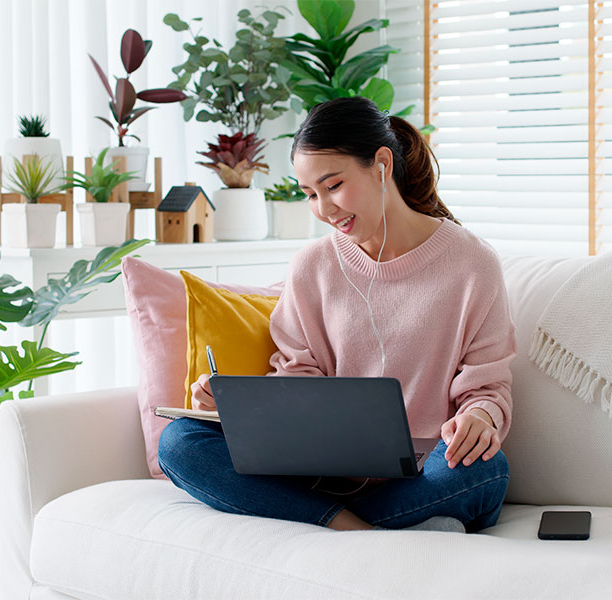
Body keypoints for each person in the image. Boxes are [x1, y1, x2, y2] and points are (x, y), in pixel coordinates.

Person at [158, 96, 517, 533]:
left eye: (333, 186)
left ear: (381, 164)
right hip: (319, 473)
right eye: (310, 194)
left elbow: (487, 388)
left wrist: (478, 419)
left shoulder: (471, 262)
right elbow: (297, 378)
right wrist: (237, 409)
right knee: (180, 443)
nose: (324, 209)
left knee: (484, 469)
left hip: (425, 472)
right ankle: (357, 528)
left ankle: (322, 521)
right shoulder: (313, 265)